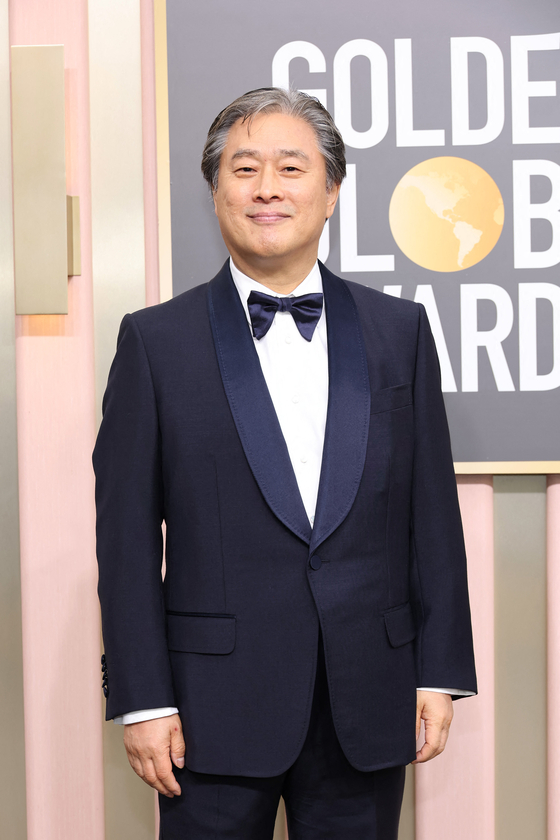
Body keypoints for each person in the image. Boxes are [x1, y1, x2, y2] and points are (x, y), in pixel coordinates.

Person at [94, 87, 477, 839]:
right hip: (206, 714)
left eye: (292, 168)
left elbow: (431, 514)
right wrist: (143, 698)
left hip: (367, 700)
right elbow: (127, 540)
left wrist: (440, 670)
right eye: (244, 168)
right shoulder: (154, 343)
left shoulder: (399, 331)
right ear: (215, 192)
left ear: (331, 191)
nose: (267, 187)